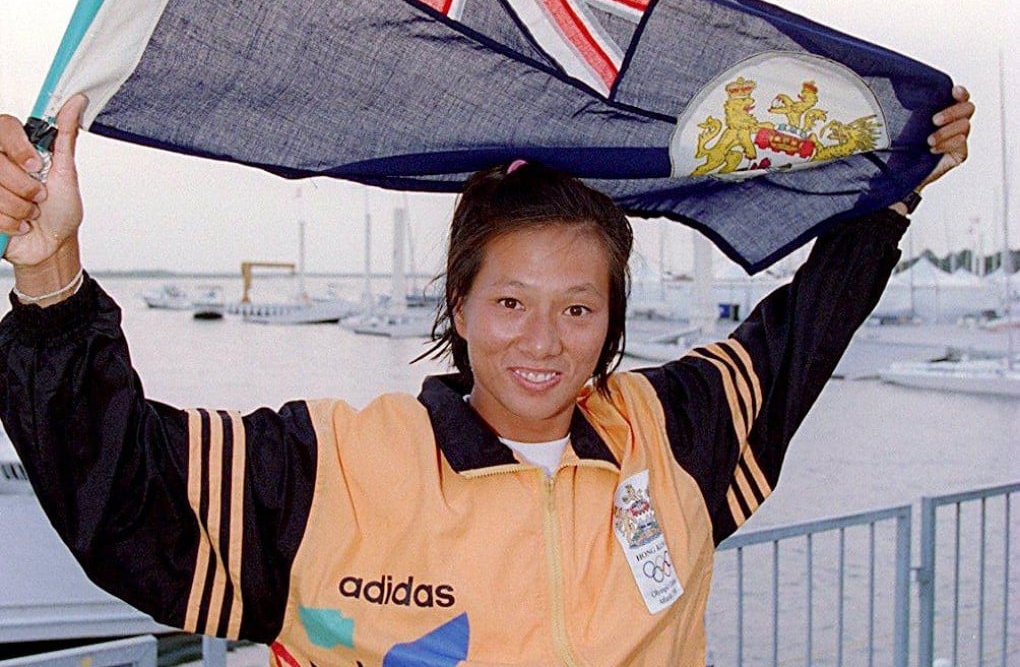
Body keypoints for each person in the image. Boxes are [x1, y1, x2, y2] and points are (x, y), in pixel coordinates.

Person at [0, 87, 972, 666]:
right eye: (510, 302)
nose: (541, 339)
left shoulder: (674, 432)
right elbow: (119, 487)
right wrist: (48, 273)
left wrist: (891, 193)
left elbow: (801, 332)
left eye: (578, 307)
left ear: (610, 321)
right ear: (460, 308)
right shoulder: (336, 465)